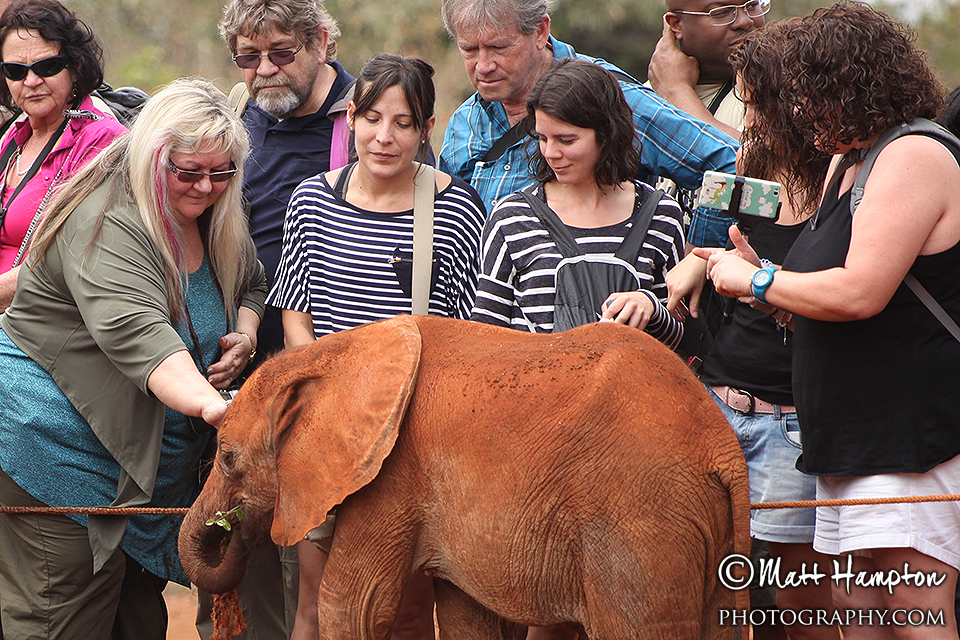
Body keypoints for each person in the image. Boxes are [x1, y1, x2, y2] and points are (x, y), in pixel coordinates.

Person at [699, 4, 960, 638]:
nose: (796, 116)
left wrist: (757, 280)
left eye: (804, 97)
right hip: (849, 435)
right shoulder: (851, 162)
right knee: (854, 611)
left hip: (905, 439)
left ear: (848, 85)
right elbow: (834, 294)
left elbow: (862, 293)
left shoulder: (914, 153)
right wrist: (772, 291)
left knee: (913, 608)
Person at [0, 77, 265, 639]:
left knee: (137, 621)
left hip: (138, 471)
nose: (205, 186)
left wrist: (244, 329)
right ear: (152, 159)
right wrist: (218, 410)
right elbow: (142, 340)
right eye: (189, 171)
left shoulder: (211, 212)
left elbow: (248, 279)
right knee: (63, 618)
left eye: (222, 173)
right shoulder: (108, 219)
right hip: (54, 450)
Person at [268, 53, 485, 640]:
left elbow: (463, 335)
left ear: (426, 130)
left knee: (407, 607)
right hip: (326, 427)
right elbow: (295, 308)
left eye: (403, 123)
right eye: (370, 118)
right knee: (315, 602)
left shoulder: (455, 207)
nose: (383, 137)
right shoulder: (311, 199)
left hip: (412, 437)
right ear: (350, 120)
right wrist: (324, 399)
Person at [207, 1, 354, 636]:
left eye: (281, 54)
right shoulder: (237, 118)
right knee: (237, 545)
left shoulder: (368, 114)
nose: (263, 70)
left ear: (321, 40)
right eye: (247, 58)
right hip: (238, 364)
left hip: (329, 374)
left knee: (315, 560)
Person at [688, 26, 837, 640]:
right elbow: (710, 245)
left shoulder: (844, 185)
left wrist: (759, 279)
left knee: (795, 611)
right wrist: (696, 260)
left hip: (793, 420)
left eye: (753, 102)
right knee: (722, 600)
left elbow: (844, 300)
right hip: (720, 405)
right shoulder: (744, 172)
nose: (743, 116)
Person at [437, 0, 738, 213]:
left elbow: (733, 165)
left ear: (540, 32)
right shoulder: (465, 123)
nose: (484, 65)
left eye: (499, 47)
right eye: (469, 50)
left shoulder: (608, 98)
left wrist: (701, 255)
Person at [471, 60, 684, 352]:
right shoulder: (512, 217)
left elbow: (681, 343)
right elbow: (485, 337)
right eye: (542, 138)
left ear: (607, 133)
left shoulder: (661, 215)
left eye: (566, 140)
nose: (551, 153)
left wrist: (650, 307)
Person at [0, 0, 126, 311]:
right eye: (15, 71)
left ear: (76, 65)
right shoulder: (13, 138)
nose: (31, 81)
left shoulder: (101, 140)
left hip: (42, 324)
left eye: (47, 67)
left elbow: (74, 261)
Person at [648, 0, 768, 250]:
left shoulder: (782, 93)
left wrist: (679, 94)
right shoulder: (644, 99)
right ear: (676, 24)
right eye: (722, 12)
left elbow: (770, 173)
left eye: (753, 5)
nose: (745, 21)